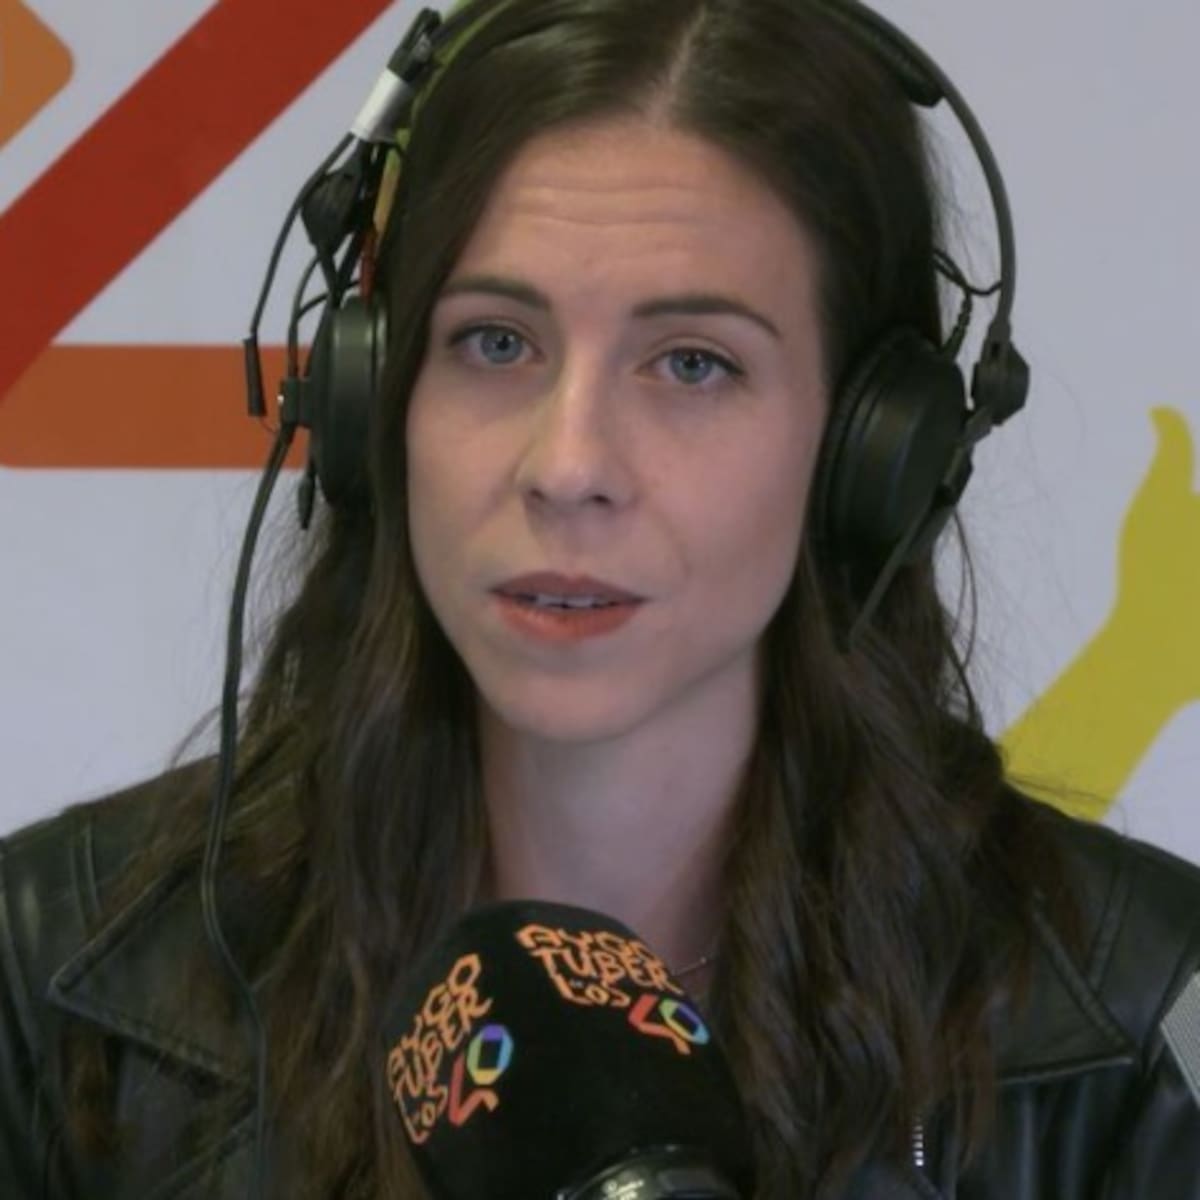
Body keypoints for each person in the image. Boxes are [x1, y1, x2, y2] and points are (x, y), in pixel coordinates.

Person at [2, 0, 1199, 1196]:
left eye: (693, 363)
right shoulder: (37, 973)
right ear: (376, 399)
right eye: (496, 343)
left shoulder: (1155, 1022)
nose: (568, 466)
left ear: (871, 452)